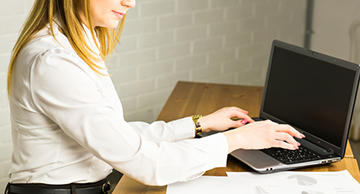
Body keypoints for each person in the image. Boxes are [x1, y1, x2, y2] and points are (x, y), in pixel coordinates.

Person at [4, 0, 304, 193]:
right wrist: (237, 140)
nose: (130, 3)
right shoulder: (53, 61)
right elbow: (147, 164)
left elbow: (116, 135)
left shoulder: (71, 43)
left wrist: (199, 124)